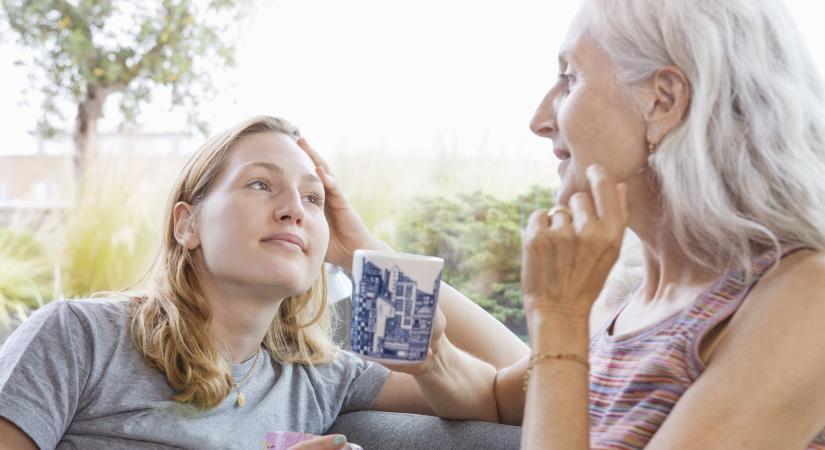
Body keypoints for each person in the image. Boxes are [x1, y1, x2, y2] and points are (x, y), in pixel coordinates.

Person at [0, 116, 528, 450]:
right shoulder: (77, 337)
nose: (294, 209)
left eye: (313, 199)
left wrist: (367, 252)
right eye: (260, 183)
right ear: (187, 224)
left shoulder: (317, 378)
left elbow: (517, 391)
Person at [508, 0, 825, 448]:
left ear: (664, 100)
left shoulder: (807, 299)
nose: (540, 120)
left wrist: (557, 315)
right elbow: (495, 395)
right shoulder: (630, 298)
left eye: (569, 77)